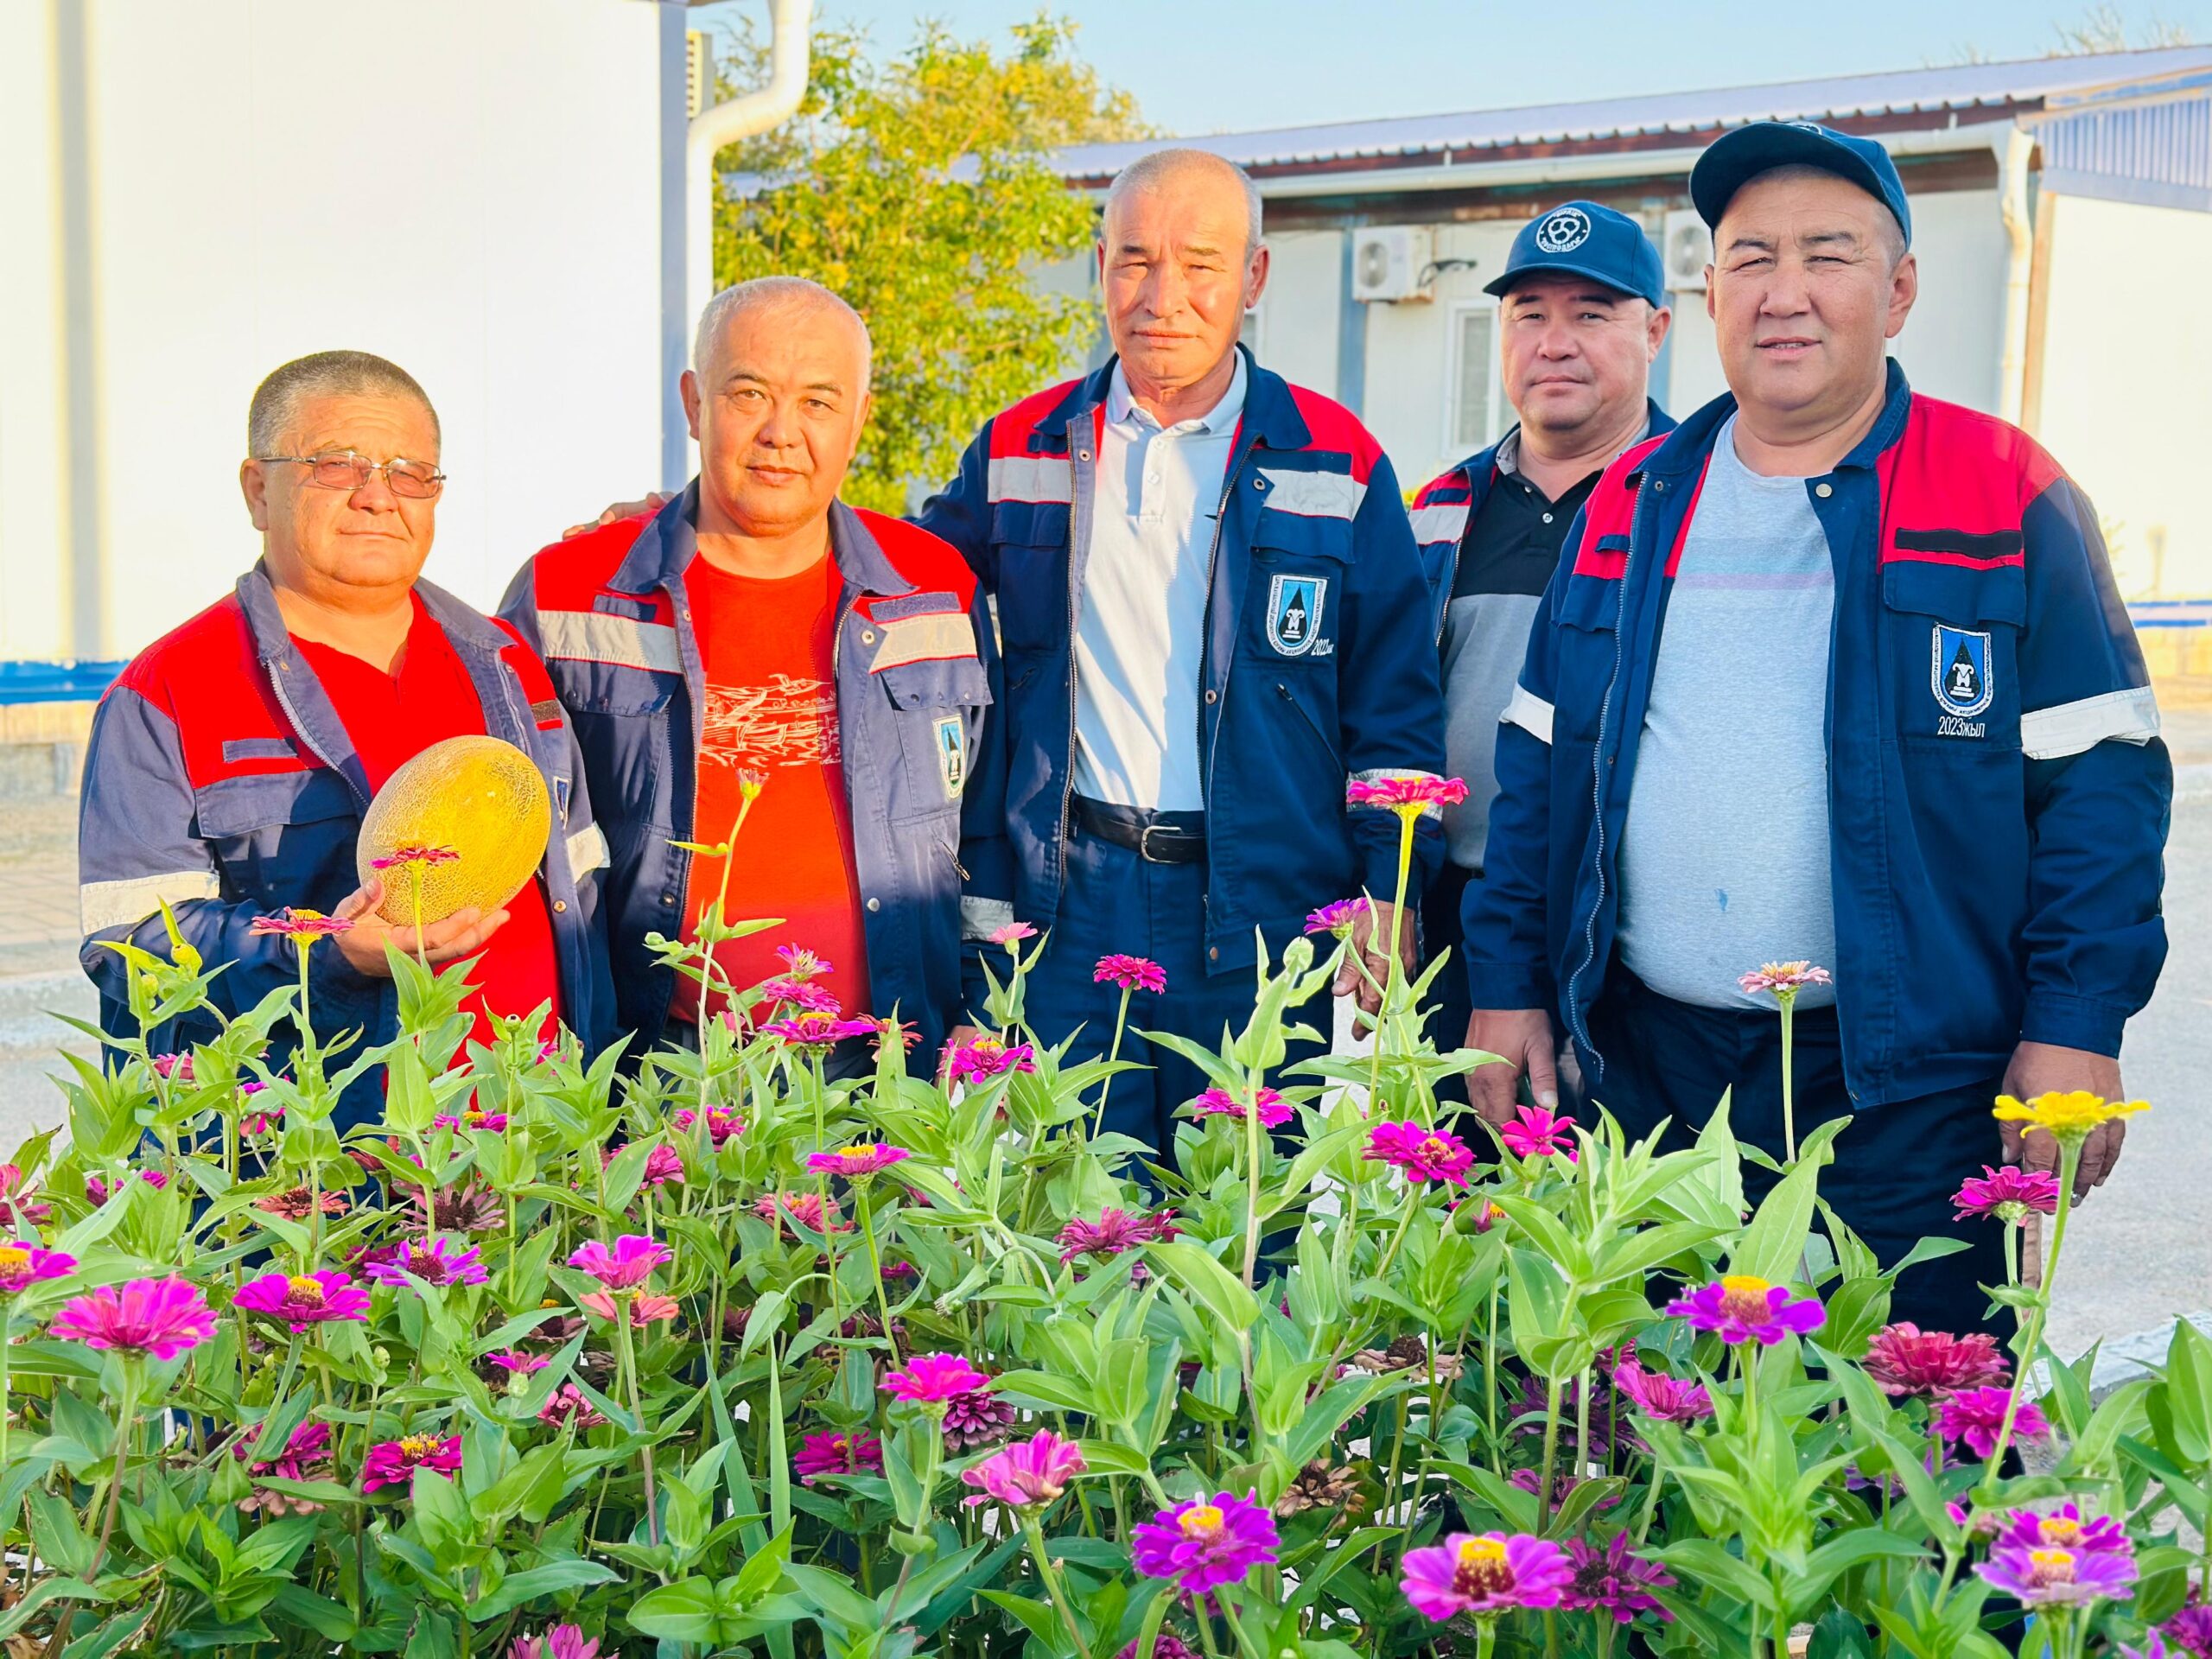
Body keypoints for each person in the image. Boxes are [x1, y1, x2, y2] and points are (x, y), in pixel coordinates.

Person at [1461, 123, 2170, 1335]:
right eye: (1751, 258)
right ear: (1711, 292)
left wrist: (2074, 1026)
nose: (1783, 294)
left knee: (1906, 1415)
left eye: (1827, 256)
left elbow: (2100, 788)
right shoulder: (1632, 498)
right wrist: (1509, 986)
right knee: (1653, 1416)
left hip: (1908, 1091)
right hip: (1650, 1076)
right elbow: (1537, 772)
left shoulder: (2003, 490)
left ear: (1898, 292)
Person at [915, 148, 1449, 1149]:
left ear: (1254, 276)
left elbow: (1394, 702)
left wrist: (1391, 887)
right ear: (1100, 268)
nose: (1163, 297)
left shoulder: (1338, 458)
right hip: (1068, 906)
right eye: (1134, 260)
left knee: (1245, 1208)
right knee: (1075, 1206)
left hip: (1264, 912)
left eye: (1200, 264)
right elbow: (897, 582)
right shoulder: (1021, 448)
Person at [78, 351, 613, 1126]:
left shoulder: (508, 662)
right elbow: (130, 945)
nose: (377, 496)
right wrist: (326, 955)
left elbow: (582, 883)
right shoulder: (167, 690)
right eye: (336, 465)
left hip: (528, 1137)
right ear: (258, 491)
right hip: (318, 1159)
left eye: (411, 473)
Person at [503, 278, 1005, 1071]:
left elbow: (989, 823)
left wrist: (984, 1011)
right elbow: (520, 854)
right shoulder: (567, 595)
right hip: (656, 1075)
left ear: (859, 419)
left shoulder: (934, 589)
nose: (781, 433)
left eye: (818, 403)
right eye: (749, 395)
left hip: (894, 1068)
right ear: (694, 403)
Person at [1408, 201, 1675, 1092]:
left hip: (1620, 932)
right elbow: (1384, 715)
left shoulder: (1692, 503)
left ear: (1656, 331)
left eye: (1591, 314)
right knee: (1439, 1169)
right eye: (1530, 315)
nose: (1554, 344)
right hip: (1451, 924)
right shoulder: (1440, 509)